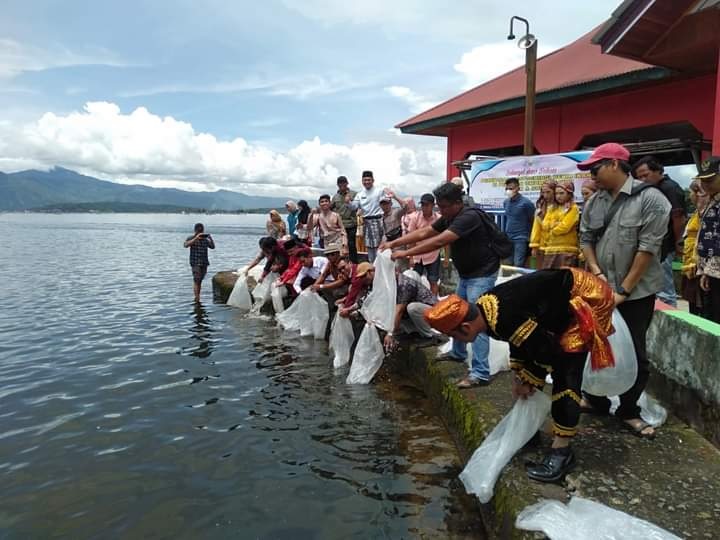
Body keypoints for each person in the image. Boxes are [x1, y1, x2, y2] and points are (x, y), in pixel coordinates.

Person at [423, 268, 615, 482]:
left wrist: (528, 378)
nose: (454, 340)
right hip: (556, 301)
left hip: (585, 297)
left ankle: (562, 451)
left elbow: (547, 352)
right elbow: (520, 339)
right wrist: (520, 375)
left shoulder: (502, 317)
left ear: (466, 328)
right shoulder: (485, 312)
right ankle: (531, 429)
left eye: (452, 335)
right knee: (531, 373)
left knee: (566, 373)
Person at [579, 142, 670, 438]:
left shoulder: (651, 200)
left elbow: (647, 250)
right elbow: (585, 239)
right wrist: (598, 274)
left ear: (615, 164)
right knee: (597, 345)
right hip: (600, 287)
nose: (592, 176)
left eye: (595, 169)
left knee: (635, 352)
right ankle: (596, 400)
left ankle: (629, 410)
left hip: (637, 292)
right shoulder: (596, 201)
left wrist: (624, 291)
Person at [381, 182, 500, 388]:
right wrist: (394, 243)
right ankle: (458, 352)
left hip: (482, 274)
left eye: (444, 206)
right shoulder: (450, 216)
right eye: (439, 206)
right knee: (456, 313)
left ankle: (480, 372)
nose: (441, 211)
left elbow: (438, 241)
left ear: (457, 203)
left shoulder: (468, 217)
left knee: (476, 319)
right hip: (467, 274)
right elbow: (424, 233)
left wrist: (406, 252)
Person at [632, 156, 687, 307]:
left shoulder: (669, 188)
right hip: (658, 244)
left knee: (665, 289)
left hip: (666, 243)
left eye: (646, 174)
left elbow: (679, 218)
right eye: (639, 177)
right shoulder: (654, 189)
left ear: (658, 171)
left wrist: (678, 242)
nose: (643, 179)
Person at [383, 271, 440, 353]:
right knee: (396, 307)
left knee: (411, 308)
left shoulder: (404, 284)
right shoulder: (393, 285)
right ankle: (414, 332)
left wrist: (390, 333)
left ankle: (429, 336)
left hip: (434, 312)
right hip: (423, 313)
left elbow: (399, 311)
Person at [696, 156, 720, 323]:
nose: (705, 185)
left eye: (710, 180)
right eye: (703, 181)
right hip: (712, 272)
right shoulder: (713, 200)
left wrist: (709, 271)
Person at [681, 180, 709, 315]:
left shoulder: (711, 214)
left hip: (704, 269)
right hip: (691, 268)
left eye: (700, 192)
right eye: (694, 191)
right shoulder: (696, 214)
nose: (695, 195)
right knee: (694, 308)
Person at [406, 193, 442, 296]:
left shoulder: (439, 219)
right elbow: (411, 238)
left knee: (433, 280)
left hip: (433, 254)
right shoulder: (415, 218)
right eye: (422, 205)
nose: (424, 207)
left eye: (427, 205)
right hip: (418, 254)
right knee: (414, 281)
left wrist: (447, 257)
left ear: (432, 205)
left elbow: (444, 237)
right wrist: (411, 257)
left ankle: (433, 304)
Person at [348, 170, 386, 262]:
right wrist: (348, 202)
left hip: (378, 221)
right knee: (369, 248)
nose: (367, 182)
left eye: (369, 180)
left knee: (379, 249)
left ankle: (379, 268)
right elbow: (354, 207)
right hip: (366, 222)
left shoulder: (379, 191)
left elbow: (386, 205)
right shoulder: (360, 194)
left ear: (373, 180)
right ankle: (372, 268)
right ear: (362, 181)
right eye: (365, 180)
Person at [541, 181, 580, 268]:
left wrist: (552, 229)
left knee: (564, 278)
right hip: (550, 249)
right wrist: (556, 224)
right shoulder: (552, 208)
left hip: (567, 250)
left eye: (562, 193)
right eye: (556, 193)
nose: (558, 196)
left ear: (569, 194)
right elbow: (544, 225)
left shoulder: (573, 208)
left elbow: (564, 227)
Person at [502, 177, 535, 267]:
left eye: (511, 188)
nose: (509, 190)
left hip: (521, 238)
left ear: (518, 189)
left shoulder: (526, 203)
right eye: (507, 188)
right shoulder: (506, 202)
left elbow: (532, 220)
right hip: (509, 237)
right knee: (508, 264)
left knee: (518, 264)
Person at [183, 223, 215, 303]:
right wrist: (196, 238)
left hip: (204, 262)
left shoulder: (205, 239)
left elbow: (212, 247)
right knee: (197, 280)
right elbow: (185, 245)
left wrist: (210, 238)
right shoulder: (191, 238)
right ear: (195, 231)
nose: (200, 233)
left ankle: (198, 296)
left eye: (201, 231)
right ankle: (197, 298)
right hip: (195, 262)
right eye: (199, 231)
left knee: (200, 279)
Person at [529, 181, 557, 269]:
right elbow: (536, 228)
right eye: (543, 192)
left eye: (548, 192)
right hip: (542, 246)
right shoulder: (540, 208)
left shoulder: (562, 207)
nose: (545, 195)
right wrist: (534, 246)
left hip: (557, 246)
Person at [331, 176, 358, 263]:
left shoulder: (354, 194)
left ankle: (354, 264)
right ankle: (342, 264)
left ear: (347, 183)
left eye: (344, 183)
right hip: (340, 226)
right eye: (340, 183)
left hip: (351, 224)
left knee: (351, 245)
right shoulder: (335, 197)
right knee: (341, 245)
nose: (342, 185)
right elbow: (330, 209)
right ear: (337, 185)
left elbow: (358, 207)